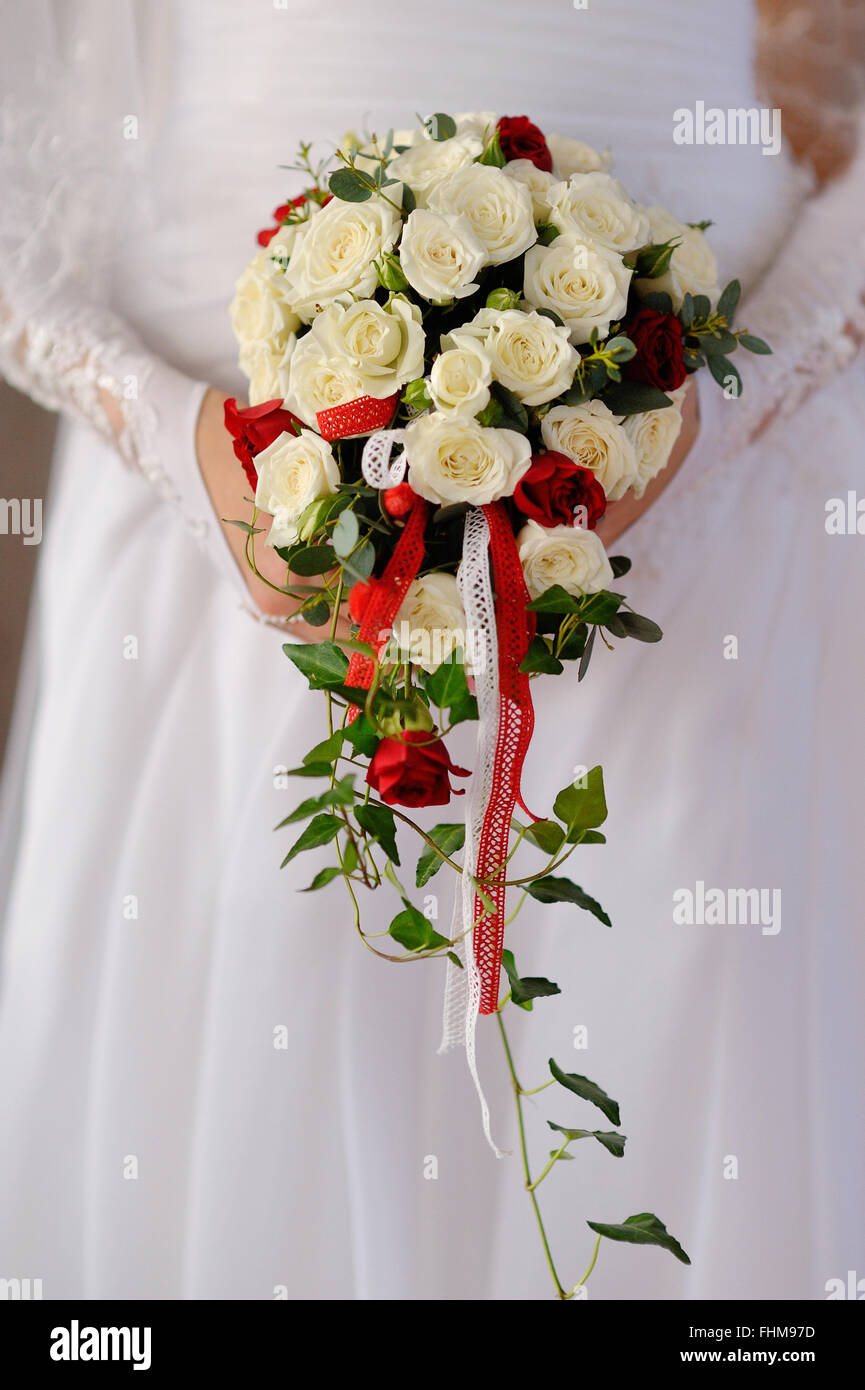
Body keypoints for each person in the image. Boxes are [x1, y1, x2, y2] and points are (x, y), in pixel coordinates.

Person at [0, 0, 863, 1299]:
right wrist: (171, 436)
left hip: (714, 491)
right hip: (222, 485)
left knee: (672, 1035)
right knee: (257, 1052)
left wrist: (728, 400)